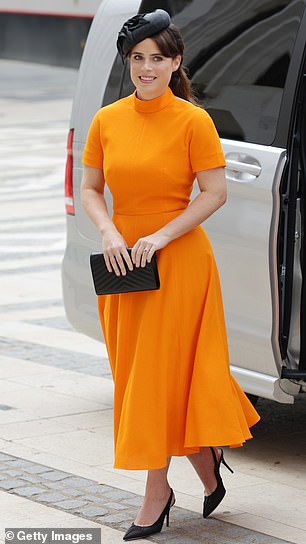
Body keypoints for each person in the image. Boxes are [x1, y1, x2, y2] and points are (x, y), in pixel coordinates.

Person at [81, 9, 260, 541]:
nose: (146, 68)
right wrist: (110, 232)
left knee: (158, 378)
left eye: (156, 58)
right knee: (140, 377)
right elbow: (91, 188)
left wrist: (160, 236)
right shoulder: (106, 119)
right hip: (123, 264)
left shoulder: (192, 120)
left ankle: (156, 495)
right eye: (137, 58)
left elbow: (215, 193)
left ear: (175, 61)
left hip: (178, 262)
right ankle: (207, 462)